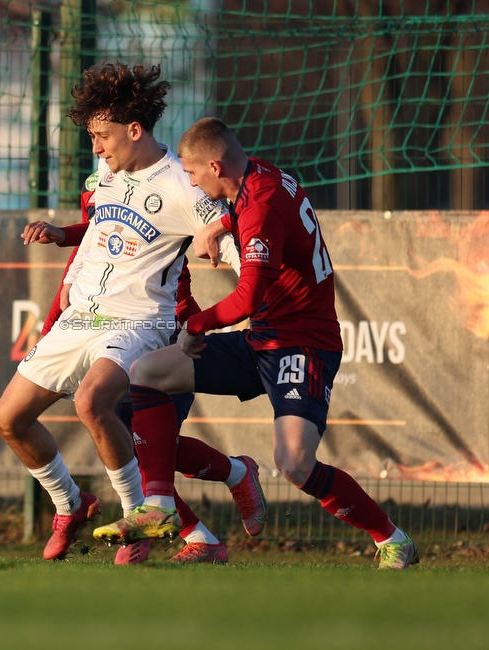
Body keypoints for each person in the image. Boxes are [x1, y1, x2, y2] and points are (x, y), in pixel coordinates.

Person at [93, 117, 419, 570]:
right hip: (263, 338)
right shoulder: (259, 176)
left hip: (302, 345)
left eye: (191, 172)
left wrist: (198, 325)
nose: (188, 180)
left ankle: (392, 538)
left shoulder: (261, 206)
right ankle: (161, 505)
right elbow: (251, 213)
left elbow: (248, 297)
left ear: (215, 164)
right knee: (147, 373)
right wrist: (220, 224)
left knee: (296, 464)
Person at [0, 62, 249, 562]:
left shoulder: (182, 183)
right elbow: (97, 232)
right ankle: (72, 503)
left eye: (102, 136)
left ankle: (140, 520)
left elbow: (232, 241)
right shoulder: (105, 175)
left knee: (93, 403)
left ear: (135, 129)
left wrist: (243, 272)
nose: (96, 148)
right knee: (7, 419)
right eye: (91, 137)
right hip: (82, 315)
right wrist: (67, 283)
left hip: (140, 322)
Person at [22, 190, 266, 564]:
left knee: (141, 446)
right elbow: (84, 251)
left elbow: (218, 227)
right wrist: (54, 326)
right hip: (119, 338)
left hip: (170, 338)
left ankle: (225, 485)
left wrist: (227, 237)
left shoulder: (164, 204)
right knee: (133, 446)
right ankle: (208, 527)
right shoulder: (100, 232)